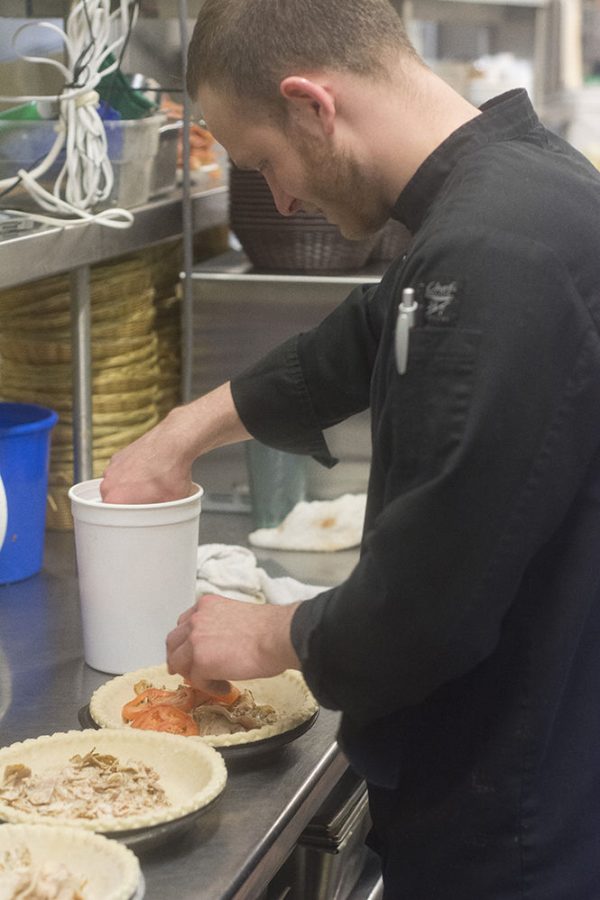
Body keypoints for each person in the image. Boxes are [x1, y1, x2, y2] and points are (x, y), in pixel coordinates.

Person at [100, 1, 600, 896]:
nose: (282, 198)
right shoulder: (509, 185)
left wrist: (267, 632)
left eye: (264, 162)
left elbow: (428, 611)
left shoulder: (495, 248)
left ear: (311, 105)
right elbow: (370, 331)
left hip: (516, 822)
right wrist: (178, 436)